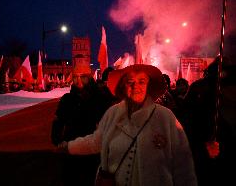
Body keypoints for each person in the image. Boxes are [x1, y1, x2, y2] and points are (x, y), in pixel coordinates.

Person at [57, 64, 197, 186]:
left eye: (141, 81)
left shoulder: (166, 117)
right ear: (124, 87)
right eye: (130, 82)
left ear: (149, 86)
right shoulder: (112, 113)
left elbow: (183, 163)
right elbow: (96, 141)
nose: (135, 86)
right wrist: (69, 147)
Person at [51, 64, 115, 186]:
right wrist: (58, 140)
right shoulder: (67, 99)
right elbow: (58, 121)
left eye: (83, 76)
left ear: (90, 77)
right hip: (71, 149)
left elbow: (107, 124)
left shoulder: (100, 97)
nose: (78, 80)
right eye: (75, 77)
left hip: (92, 151)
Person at [182, 56, 236, 185]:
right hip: (205, 152)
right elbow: (186, 122)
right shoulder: (200, 89)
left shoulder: (228, 89)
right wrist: (202, 147)